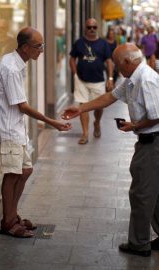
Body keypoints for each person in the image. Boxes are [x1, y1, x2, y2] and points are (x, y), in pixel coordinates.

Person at [62, 43, 159, 257]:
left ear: (126, 62)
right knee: (154, 193)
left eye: (116, 64)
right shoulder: (132, 79)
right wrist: (81, 108)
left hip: (154, 143)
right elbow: (110, 97)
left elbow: (156, 115)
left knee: (141, 194)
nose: (114, 68)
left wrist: (134, 125)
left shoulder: (146, 79)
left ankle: (139, 244)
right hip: (149, 141)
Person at [0, 27, 71, 238]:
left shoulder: (19, 63)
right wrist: (51, 121)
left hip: (17, 128)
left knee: (25, 171)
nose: (42, 50)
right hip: (9, 130)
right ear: (25, 48)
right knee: (12, 174)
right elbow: (22, 106)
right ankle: (8, 222)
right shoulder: (10, 68)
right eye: (38, 46)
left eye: (42, 45)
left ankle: (12, 214)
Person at [69, 18, 114, 145]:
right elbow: (72, 59)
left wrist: (110, 78)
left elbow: (109, 61)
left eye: (94, 27)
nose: (92, 30)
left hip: (98, 80)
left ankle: (97, 122)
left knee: (99, 106)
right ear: (85, 28)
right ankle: (85, 133)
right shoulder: (79, 43)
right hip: (82, 80)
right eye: (89, 27)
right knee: (83, 107)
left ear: (97, 28)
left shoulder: (103, 44)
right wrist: (75, 74)